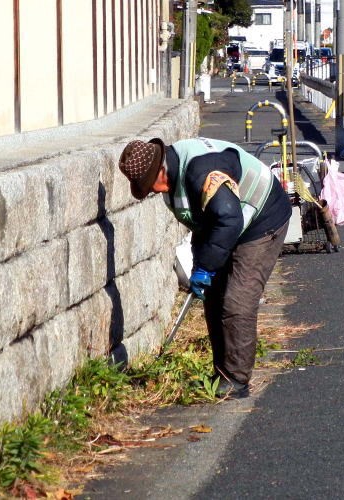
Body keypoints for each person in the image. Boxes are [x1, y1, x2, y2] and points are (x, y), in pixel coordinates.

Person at [118, 137, 292, 398]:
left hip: (262, 218)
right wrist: (201, 264)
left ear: (161, 171)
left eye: (149, 185)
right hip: (228, 221)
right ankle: (220, 374)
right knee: (214, 297)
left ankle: (236, 380)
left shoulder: (204, 173)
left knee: (236, 301)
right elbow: (204, 223)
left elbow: (228, 220)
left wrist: (206, 267)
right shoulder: (177, 175)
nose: (152, 191)